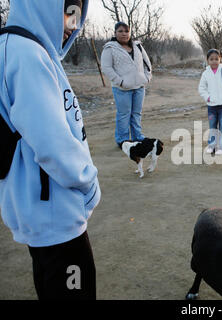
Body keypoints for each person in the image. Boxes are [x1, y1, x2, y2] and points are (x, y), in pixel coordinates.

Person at [0, 0, 101, 300]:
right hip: (57, 215)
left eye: (77, 17)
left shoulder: (16, 46)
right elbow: (52, 143)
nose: (72, 25)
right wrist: (89, 184)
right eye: (67, 12)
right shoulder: (29, 54)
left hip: (35, 211)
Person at [101, 22, 152, 148]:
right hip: (122, 88)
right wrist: (120, 82)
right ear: (115, 33)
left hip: (139, 87)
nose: (124, 34)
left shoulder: (137, 46)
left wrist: (147, 78)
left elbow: (147, 64)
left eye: (126, 31)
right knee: (124, 114)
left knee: (136, 113)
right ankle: (122, 140)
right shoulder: (110, 48)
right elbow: (106, 68)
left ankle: (137, 137)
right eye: (120, 31)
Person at [198, 49, 222, 155]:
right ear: (207, 61)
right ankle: (212, 146)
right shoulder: (205, 74)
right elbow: (201, 88)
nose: (214, 61)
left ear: (220, 59)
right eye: (211, 59)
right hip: (211, 106)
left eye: (216, 59)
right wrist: (208, 98)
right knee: (212, 127)